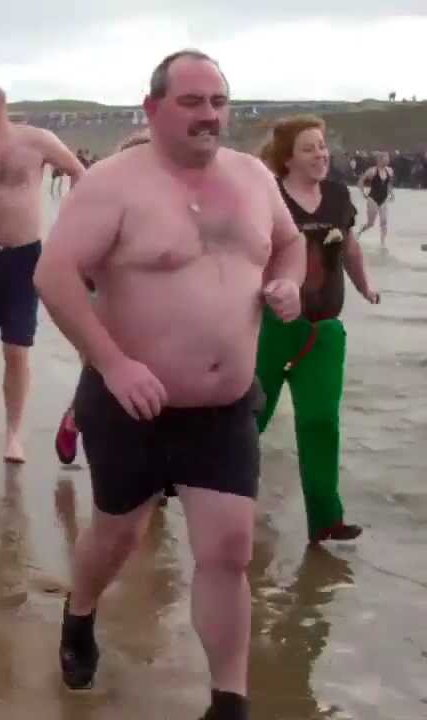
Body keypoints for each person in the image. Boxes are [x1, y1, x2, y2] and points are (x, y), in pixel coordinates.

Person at [34, 50, 305, 720]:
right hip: (133, 404)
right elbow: (55, 274)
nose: (209, 115)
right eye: (191, 102)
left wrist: (289, 283)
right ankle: (81, 610)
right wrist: (114, 363)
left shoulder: (252, 178)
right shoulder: (114, 184)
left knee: (229, 550)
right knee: (117, 534)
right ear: (153, 108)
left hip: (223, 408)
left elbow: (290, 242)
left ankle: (228, 702)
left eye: (218, 101)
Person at [256, 116, 379, 544]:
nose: (320, 154)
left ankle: (326, 518)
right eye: (308, 148)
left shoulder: (338, 195)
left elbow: (348, 245)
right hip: (271, 329)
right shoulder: (268, 195)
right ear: (287, 158)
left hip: (324, 332)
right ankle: (211, 495)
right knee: (250, 416)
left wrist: (365, 285)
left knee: (321, 421)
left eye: (322, 146)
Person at [0, 82, 85, 463]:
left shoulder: (38, 141)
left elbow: (78, 172)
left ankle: (13, 434)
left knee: (17, 347)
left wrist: (71, 230)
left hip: (26, 258)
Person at [53, 129, 152, 466]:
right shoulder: (102, 203)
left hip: (163, 318)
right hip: (106, 307)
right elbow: (69, 269)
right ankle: (75, 418)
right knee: (101, 375)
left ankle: (154, 469)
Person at [355, 151, 393, 246]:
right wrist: (363, 192)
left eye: (388, 157)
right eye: (386, 157)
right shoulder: (372, 171)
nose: (388, 159)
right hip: (373, 199)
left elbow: (388, 184)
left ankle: (382, 243)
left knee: (384, 222)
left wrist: (391, 193)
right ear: (380, 160)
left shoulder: (390, 171)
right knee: (370, 224)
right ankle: (360, 231)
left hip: (383, 199)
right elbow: (360, 181)